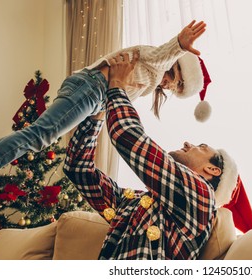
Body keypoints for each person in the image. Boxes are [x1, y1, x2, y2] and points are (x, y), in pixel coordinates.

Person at [0, 20, 208, 223]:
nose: (172, 85)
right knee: (40, 135)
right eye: (178, 80)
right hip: (91, 87)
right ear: (177, 64)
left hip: (95, 96)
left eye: (178, 88)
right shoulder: (155, 60)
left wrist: (100, 115)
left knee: (42, 136)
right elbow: (162, 56)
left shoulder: (148, 81)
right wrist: (179, 45)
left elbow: (118, 97)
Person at [63, 50, 241, 259]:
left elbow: (128, 138)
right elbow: (78, 169)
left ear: (212, 169)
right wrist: (97, 116)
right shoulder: (137, 203)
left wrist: (117, 86)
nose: (187, 142)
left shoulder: (201, 197)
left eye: (201, 146)